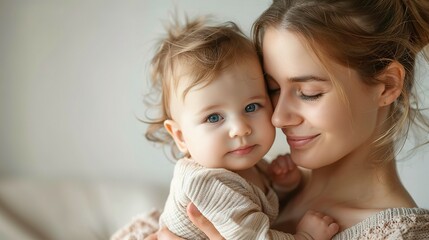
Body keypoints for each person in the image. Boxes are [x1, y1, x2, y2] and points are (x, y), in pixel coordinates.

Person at [152, 0, 429, 239]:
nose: (277, 117)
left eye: (308, 93)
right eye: (272, 89)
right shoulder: (255, 179)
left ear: (387, 85)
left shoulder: (398, 234)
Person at [112, 16, 339, 240]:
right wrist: (307, 236)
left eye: (251, 106)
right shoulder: (207, 182)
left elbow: (254, 209)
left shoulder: (249, 164)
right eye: (213, 118)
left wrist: (282, 187)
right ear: (181, 137)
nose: (240, 128)